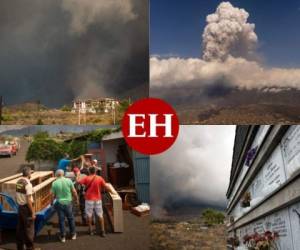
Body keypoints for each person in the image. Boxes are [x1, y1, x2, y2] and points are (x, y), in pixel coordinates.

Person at [77, 166, 115, 237]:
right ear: (95, 171)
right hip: (98, 199)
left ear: (89, 171)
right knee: (100, 215)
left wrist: (78, 174)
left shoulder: (86, 178)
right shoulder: (99, 178)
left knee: (89, 215)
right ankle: (103, 231)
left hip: (88, 199)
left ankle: (90, 230)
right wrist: (112, 192)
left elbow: (78, 181)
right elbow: (106, 187)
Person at [51, 169, 79, 243]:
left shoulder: (54, 183)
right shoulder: (69, 181)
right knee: (71, 219)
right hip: (68, 202)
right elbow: (74, 191)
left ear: (57, 175)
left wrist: (51, 203)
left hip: (59, 203)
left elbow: (52, 195)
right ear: (63, 174)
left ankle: (63, 237)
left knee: (61, 220)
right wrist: (76, 199)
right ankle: (73, 235)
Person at [16, 167, 39, 250]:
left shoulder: (19, 181)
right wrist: (33, 212)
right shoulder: (28, 184)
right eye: (31, 173)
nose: (31, 174)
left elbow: (20, 193)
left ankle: (20, 247)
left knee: (20, 228)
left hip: (20, 207)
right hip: (26, 208)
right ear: (28, 174)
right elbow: (29, 200)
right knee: (29, 229)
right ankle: (30, 248)